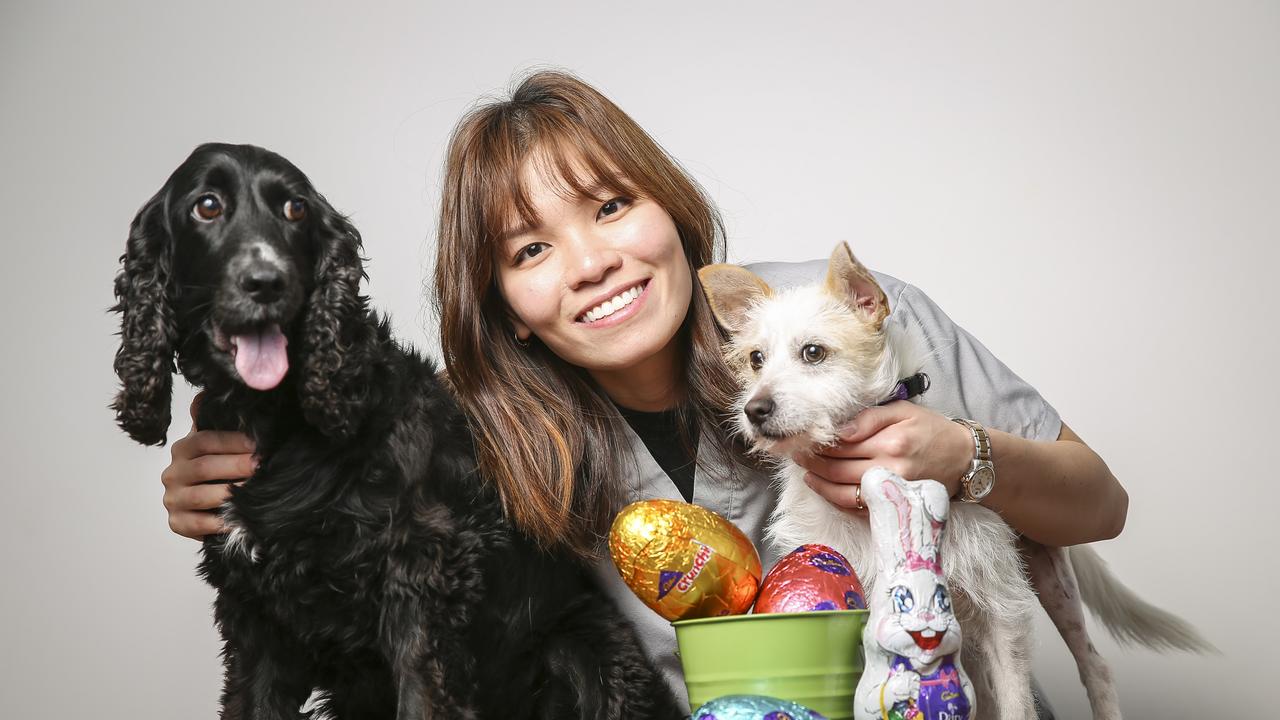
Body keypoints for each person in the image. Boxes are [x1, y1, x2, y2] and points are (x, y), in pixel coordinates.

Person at [159, 70, 1128, 715]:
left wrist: (965, 453)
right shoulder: (463, 430)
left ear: (667, 203)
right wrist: (239, 478)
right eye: (530, 250)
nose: (590, 263)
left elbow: (1098, 505)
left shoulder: (839, 318)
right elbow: (345, 534)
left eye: (611, 205)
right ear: (503, 303)